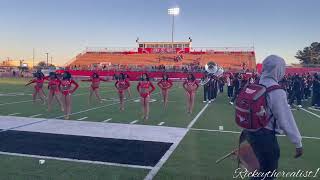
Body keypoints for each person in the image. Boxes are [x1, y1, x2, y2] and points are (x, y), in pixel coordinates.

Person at [245, 55, 303, 179]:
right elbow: (286, 119)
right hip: (265, 136)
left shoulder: (256, 83)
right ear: (278, 70)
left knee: (257, 169)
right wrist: (297, 142)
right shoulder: (276, 91)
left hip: (250, 132)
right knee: (268, 173)